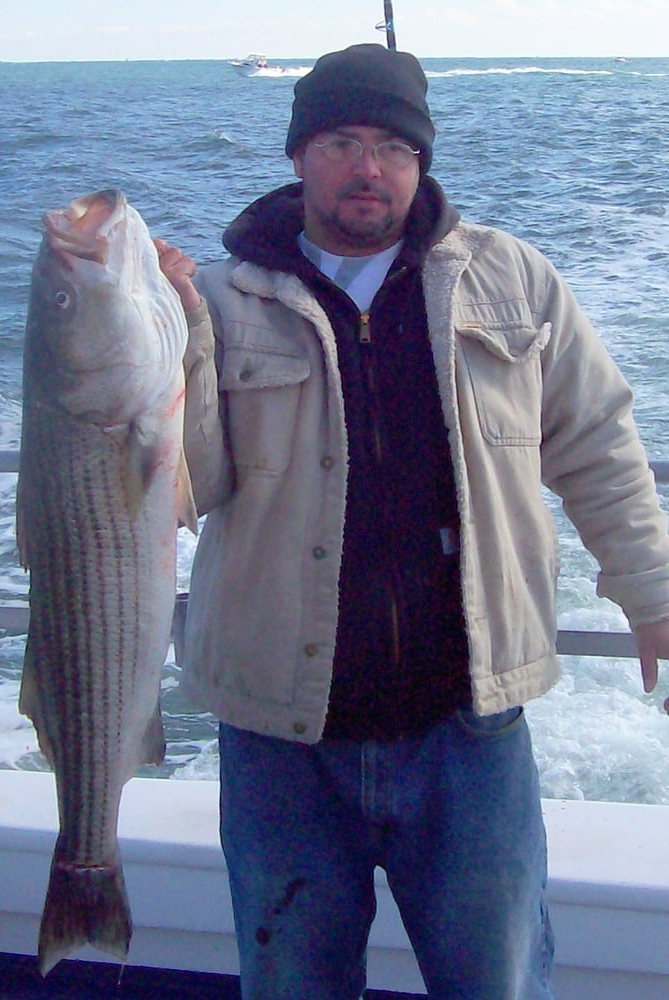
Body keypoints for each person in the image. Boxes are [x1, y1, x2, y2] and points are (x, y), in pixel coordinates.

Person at [156, 43, 669, 1000]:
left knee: (499, 985)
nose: (368, 168)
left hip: (468, 730)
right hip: (282, 739)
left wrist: (651, 592)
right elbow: (188, 487)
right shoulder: (219, 304)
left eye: (393, 146)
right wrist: (164, 335)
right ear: (298, 156)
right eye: (341, 141)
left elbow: (596, 441)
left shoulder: (510, 279)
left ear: (421, 162)